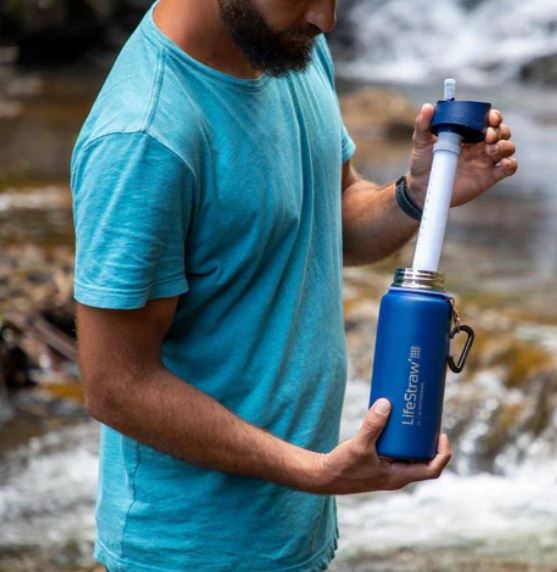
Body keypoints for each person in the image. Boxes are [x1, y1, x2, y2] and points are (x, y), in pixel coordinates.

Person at [70, 0, 518, 570]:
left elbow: (331, 215)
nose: (326, 19)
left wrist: (417, 194)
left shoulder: (288, 47)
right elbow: (115, 384)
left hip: (293, 535)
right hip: (191, 550)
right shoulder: (143, 136)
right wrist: (312, 471)